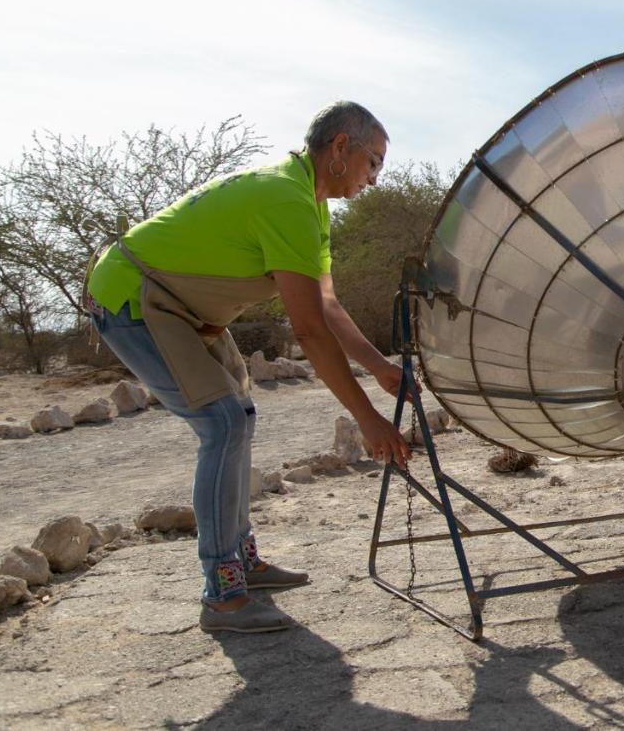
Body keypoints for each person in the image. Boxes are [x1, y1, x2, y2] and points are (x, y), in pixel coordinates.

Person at [86, 101, 415, 634]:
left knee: (241, 416)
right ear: (339, 149)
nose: (375, 177)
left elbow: (327, 306)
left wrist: (379, 367)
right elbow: (308, 331)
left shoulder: (311, 206)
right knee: (222, 424)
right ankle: (223, 595)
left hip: (187, 311)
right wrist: (368, 419)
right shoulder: (285, 199)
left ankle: (243, 560)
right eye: (372, 162)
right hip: (135, 298)